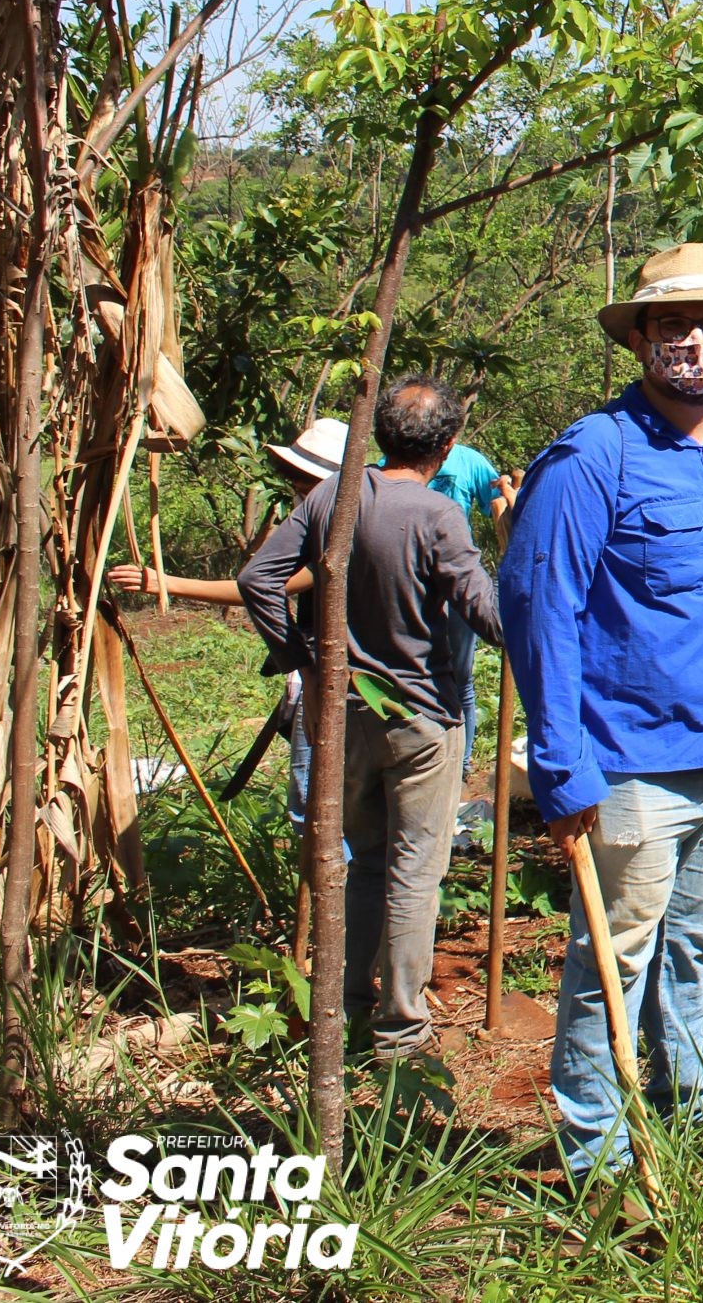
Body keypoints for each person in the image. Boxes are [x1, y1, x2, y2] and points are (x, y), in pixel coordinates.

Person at [498, 241, 703, 1180]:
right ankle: (600, 1155)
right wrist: (560, 765)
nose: (695, 343)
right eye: (674, 325)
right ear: (638, 341)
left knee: (695, 941)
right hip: (630, 761)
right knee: (613, 962)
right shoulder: (593, 457)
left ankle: (687, 1106)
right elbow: (538, 608)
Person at [239, 378, 502, 1064]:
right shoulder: (440, 514)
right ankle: (401, 1029)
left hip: (345, 712)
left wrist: (300, 657)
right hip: (421, 716)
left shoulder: (333, 497)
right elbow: (486, 614)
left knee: (364, 865)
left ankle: (350, 1005)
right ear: (445, 447)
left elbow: (256, 578)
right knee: (417, 871)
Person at [113, 420, 342, 824]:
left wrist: (163, 582)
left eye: (308, 483)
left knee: (314, 801)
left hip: (329, 675)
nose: (299, 492)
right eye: (298, 482)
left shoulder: (339, 537)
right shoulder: (324, 523)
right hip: (324, 670)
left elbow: (264, 585)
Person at [420, 435, 516, 780]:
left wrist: (510, 496)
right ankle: (430, 759)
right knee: (419, 671)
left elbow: (501, 507)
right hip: (415, 578)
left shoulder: (468, 462)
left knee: (460, 677)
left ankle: (459, 765)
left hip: (457, 577)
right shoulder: (405, 458)